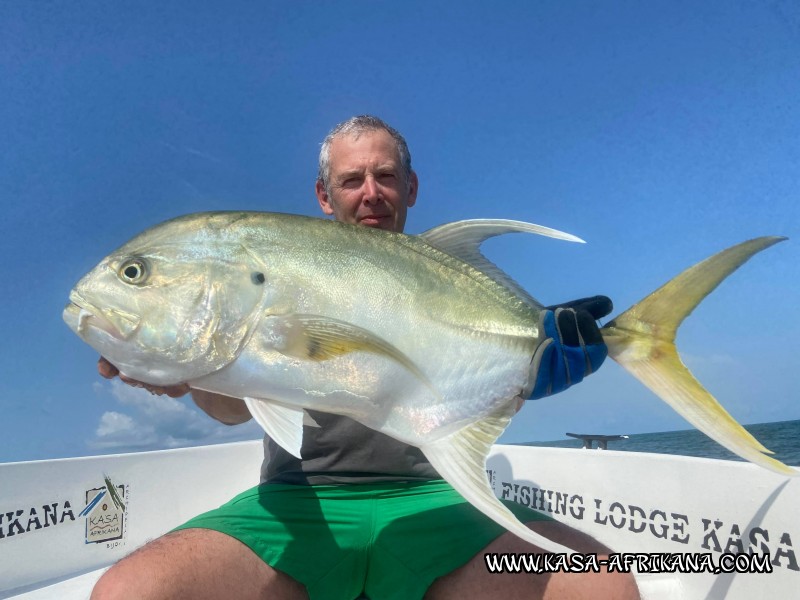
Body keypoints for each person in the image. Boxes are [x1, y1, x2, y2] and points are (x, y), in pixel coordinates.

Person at [92, 116, 639, 600]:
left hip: (436, 502)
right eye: (352, 180)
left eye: (386, 176)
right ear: (325, 196)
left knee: (603, 584)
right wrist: (183, 375)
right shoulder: (283, 266)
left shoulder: (453, 277)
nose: (371, 192)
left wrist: (532, 368)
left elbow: (468, 398)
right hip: (301, 504)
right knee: (127, 594)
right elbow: (233, 408)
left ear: (411, 187)